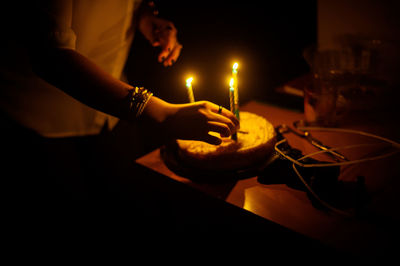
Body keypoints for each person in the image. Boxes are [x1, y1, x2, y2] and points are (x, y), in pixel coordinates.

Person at [0, 0, 239, 200]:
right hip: (43, 117)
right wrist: (160, 112)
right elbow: (50, 54)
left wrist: (145, 16)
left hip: (113, 115)